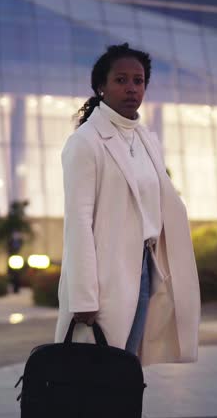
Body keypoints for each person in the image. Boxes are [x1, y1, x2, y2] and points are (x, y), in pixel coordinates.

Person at [54, 43, 200, 365]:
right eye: (121, 80)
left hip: (145, 266)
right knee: (98, 367)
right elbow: (78, 223)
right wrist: (83, 296)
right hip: (106, 275)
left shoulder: (146, 138)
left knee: (126, 364)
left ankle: (117, 417)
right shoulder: (85, 142)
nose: (132, 88)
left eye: (139, 80)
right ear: (101, 87)